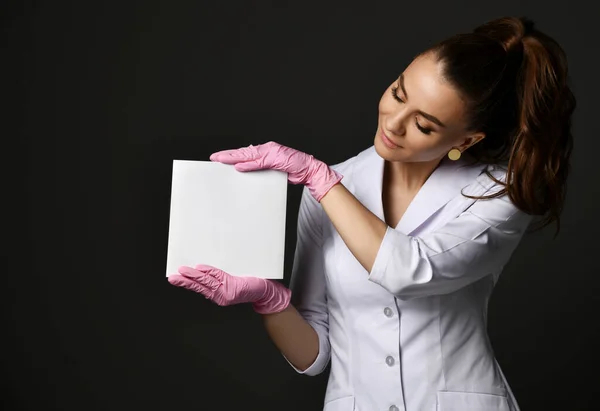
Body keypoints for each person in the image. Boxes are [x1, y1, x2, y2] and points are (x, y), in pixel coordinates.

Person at [168, 16, 575, 411]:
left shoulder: (497, 194)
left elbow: (410, 270)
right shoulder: (334, 187)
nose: (394, 124)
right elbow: (313, 356)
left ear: (466, 139)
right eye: (398, 93)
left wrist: (318, 177)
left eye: (424, 125)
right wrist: (269, 300)